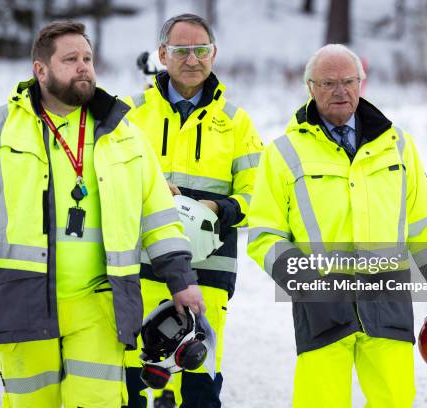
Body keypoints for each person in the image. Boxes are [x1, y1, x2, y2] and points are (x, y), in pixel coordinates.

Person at [0, 20, 204, 408]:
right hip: (22, 298)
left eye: (88, 58)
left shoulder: (124, 134)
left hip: (99, 303)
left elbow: (159, 214)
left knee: (98, 402)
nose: (83, 67)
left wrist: (181, 279)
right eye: (71, 59)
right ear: (40, 70)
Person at [247, 44, 427, 407]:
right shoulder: (283, 153)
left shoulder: (398, 147)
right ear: (310, 87)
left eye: (349, 81)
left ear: (361, 84)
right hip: (321, 305)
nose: (340, 90)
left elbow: (424, 225)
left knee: (395, 400)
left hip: (388, 302)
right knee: (321, 401)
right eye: (328, 82)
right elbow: (264, 234)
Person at [124, 13, 264, 408]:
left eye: (201, 50)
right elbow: (105, 185)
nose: (192, 59)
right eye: (181, 51)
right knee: (130, 386)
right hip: (139, 270)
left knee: (199, 388)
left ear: (213, 54)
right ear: (163, 55)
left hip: (208, 277)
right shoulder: (129, 114)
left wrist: (218, 207)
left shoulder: (236, 124)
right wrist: (147, 193)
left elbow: (259, 195)